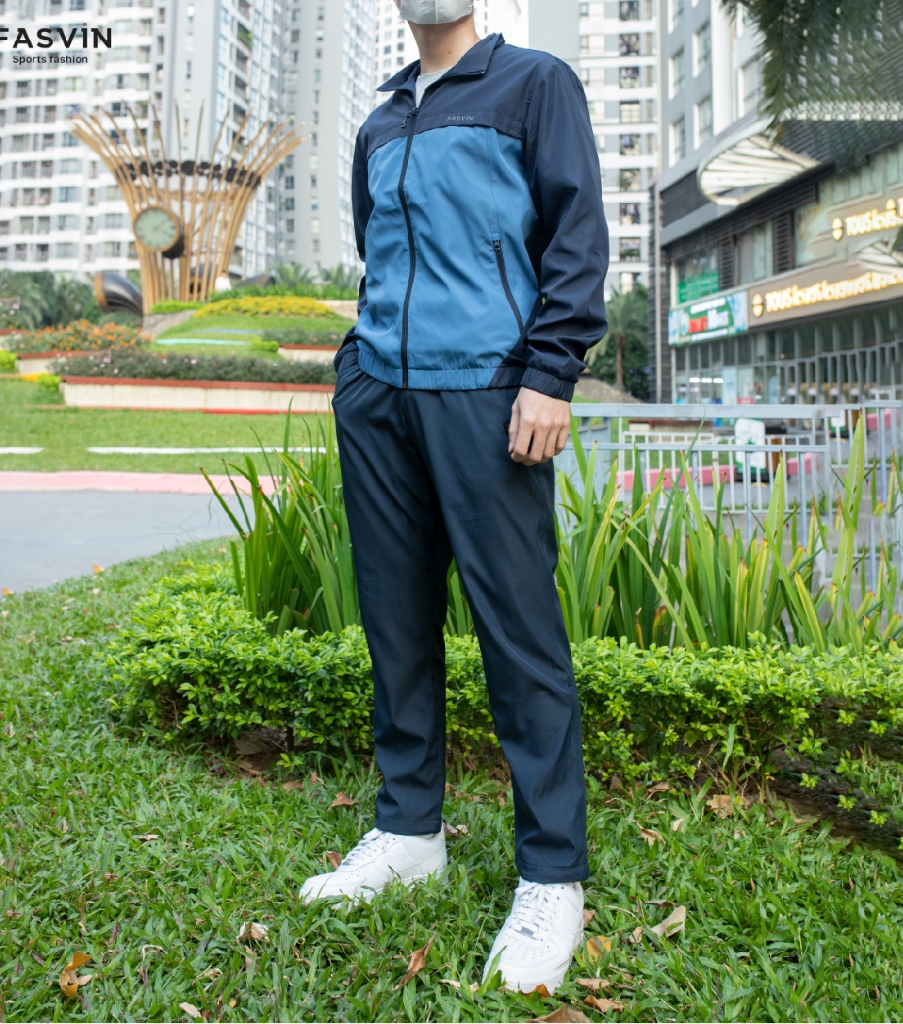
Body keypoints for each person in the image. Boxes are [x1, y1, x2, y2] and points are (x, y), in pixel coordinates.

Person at [299, 0, 609, 996]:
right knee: (394, 626)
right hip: (380, 397)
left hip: (489, 392)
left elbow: (575, 235)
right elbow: (377, 250)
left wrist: (551, 373)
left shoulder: (533, 85)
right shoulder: (381, 118)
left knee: (519, 635)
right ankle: (408, 831)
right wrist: (357, 375)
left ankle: (552, 876)